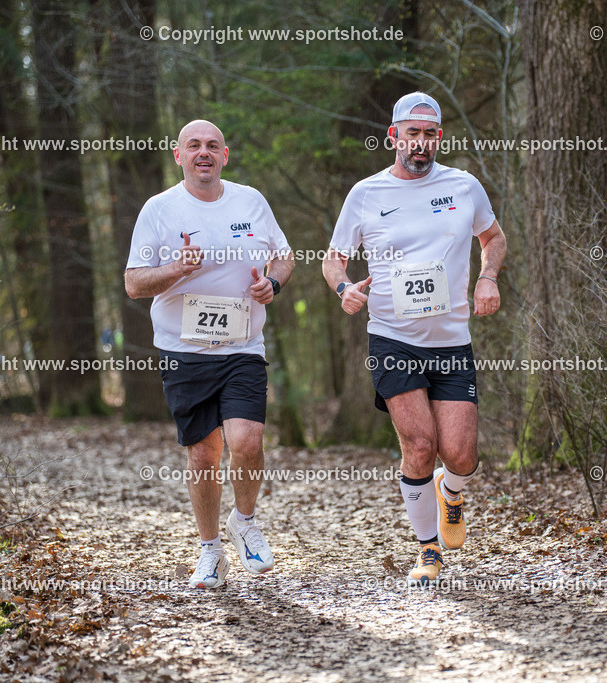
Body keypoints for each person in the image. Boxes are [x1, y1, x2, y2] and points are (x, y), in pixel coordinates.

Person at [322, 92, 506, 583]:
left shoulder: (463, 186)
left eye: (429, 134)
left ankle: (451, 491)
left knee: (461, 456)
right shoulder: (365, 194)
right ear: (394, 137)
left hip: (451, 340)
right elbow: (333, 257)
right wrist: (344, 289)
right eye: (412, 134)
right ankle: (428, 552)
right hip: (392, 338)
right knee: (420, 446)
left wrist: (487, 277)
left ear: (437, 138)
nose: (420, 143)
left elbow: (494, 237)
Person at [125, 120, 294, 589]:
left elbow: (285, 256)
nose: (204, 152)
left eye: (212, 146)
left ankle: (244, 521)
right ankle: (210, 551)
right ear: (178, 155)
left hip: (243, 345)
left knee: (247, 442)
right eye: (194, 146)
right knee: (203, 455)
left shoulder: (251, 201)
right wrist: (175, 269)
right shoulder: (159, 210)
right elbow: (134, 283)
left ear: (225, 155)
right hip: (184, 350)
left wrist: (272, 282)